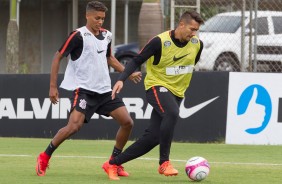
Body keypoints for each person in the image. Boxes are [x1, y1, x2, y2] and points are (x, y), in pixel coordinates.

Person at [35, 1, 141, 178]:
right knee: (73, 127)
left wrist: (127, 72)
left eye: (102, 18)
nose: (100, 22)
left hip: (105, 91)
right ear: (87, 16)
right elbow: (57, 57)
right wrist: (53, 86)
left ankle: (114, 162)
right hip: (85, 91)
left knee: (127, 122)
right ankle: (44, 156)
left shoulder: (107, 35)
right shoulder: (78, 35)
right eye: (97, 18)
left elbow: (109, 58)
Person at [102, 10, 204, 180]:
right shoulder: (159, 41)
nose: (194, 33)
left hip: (177, 93)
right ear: (181, 24)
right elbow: (136, 60)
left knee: (153, 138)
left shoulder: (197, 44)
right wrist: (121, 79)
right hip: (157, 87)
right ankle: (164, 163)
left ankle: (113, 163)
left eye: (196, 30)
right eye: (192, 29)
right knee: (172, 113)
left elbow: (190, 64)